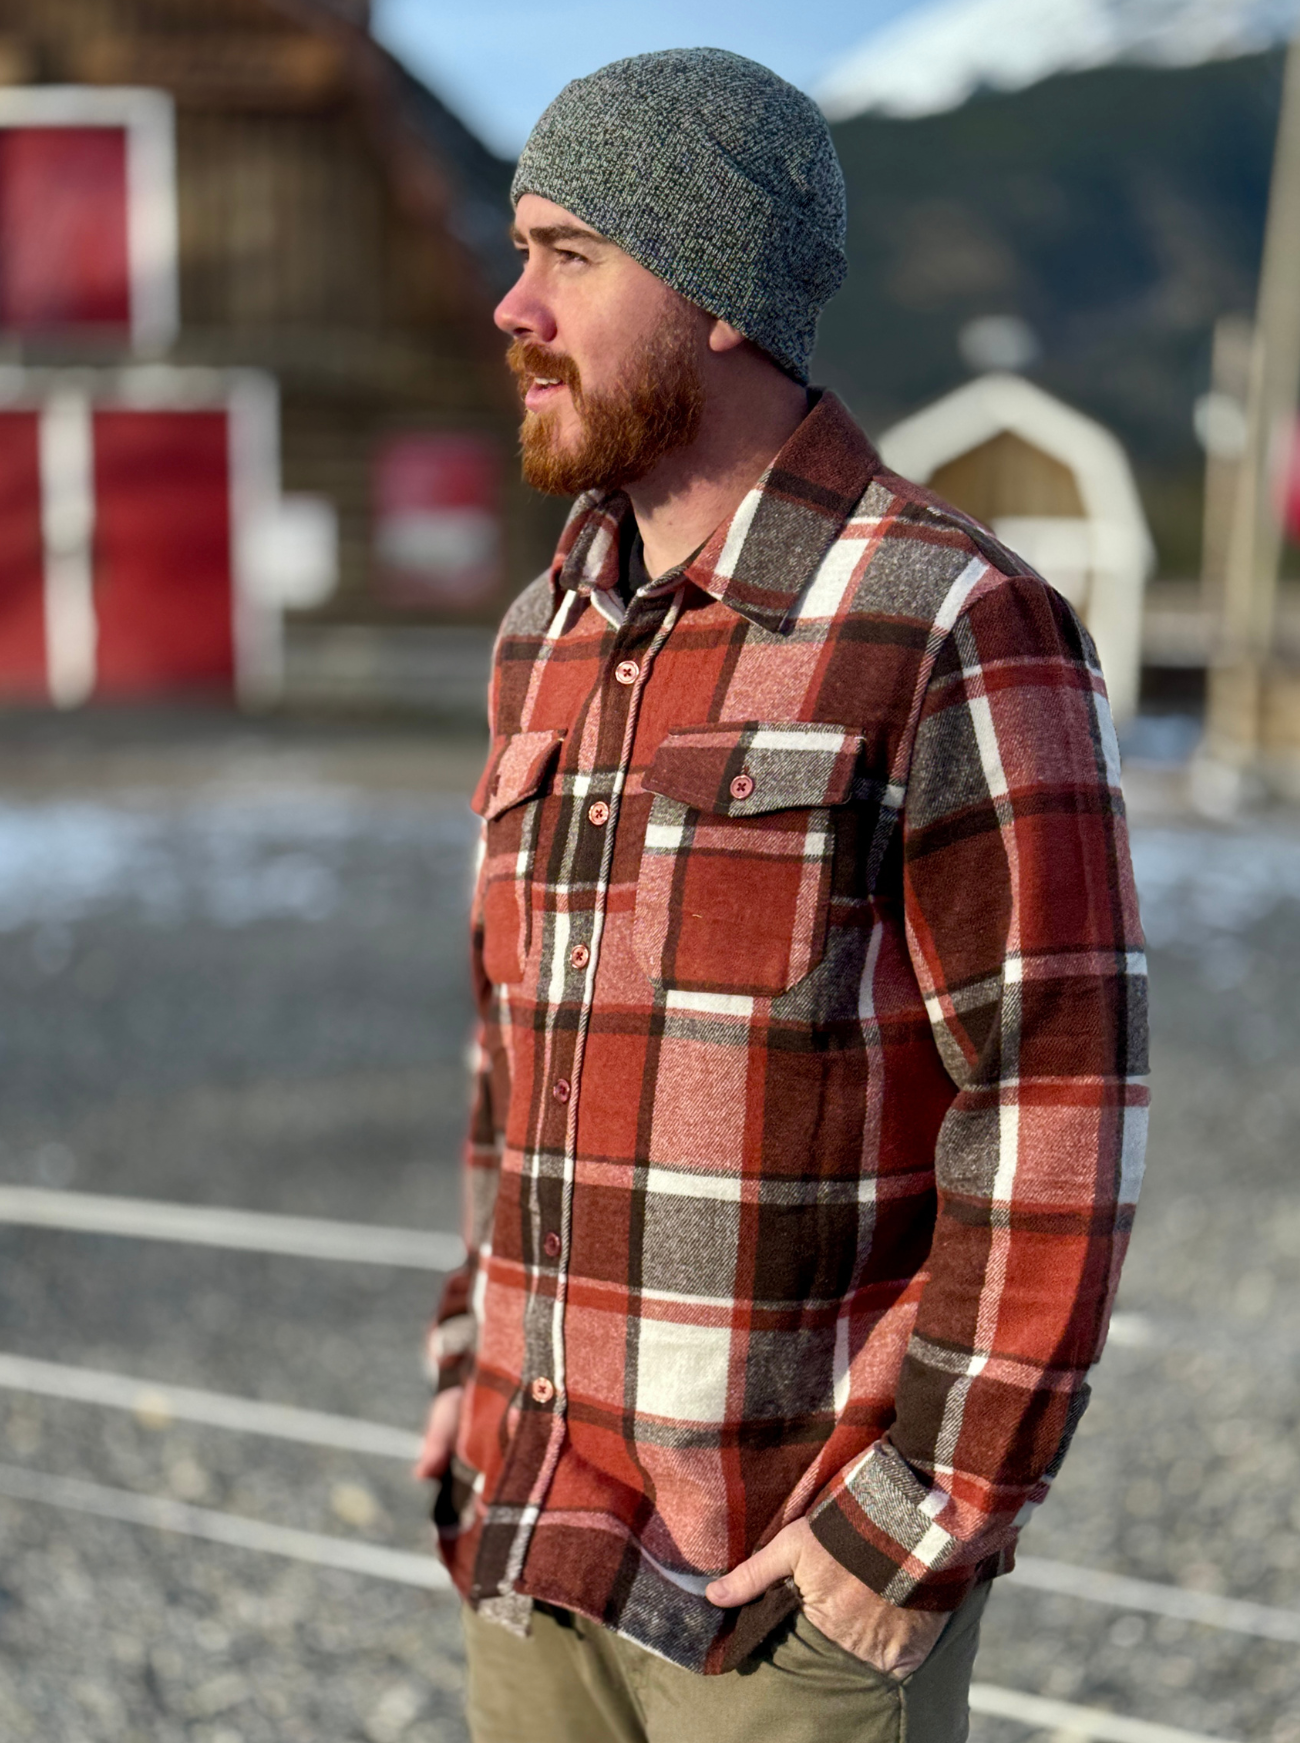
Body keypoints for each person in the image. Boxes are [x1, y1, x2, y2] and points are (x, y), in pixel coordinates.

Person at [415, 46, 1148, 1743]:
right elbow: (510, 1058)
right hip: (532, 1543)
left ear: (719, 290)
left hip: (780, 1594)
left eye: (568, 254)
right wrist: (466, 1384)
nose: (513, 308)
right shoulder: (548, 629)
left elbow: (1055, 1102)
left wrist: (919, 1524)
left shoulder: (951, 617)